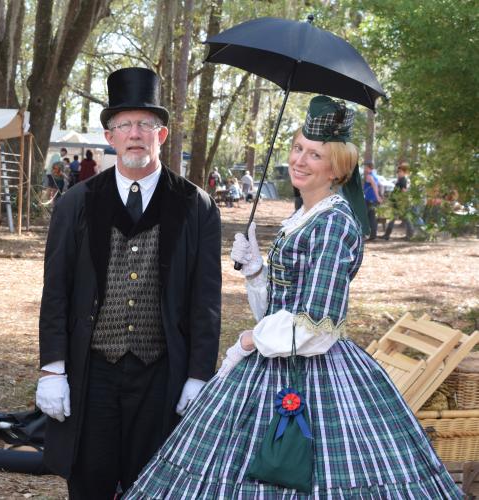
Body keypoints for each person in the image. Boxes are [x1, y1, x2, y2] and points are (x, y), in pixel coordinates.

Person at [125, 96, 461, 499]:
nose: (300, 160)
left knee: (302, 473)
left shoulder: (333, 224)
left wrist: (252, 340)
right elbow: (279, 309)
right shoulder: (303, 217)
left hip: (315, 372)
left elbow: (317, 325)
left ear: (336, 168)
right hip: (274, 363)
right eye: (298, 148)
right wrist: (255, 271)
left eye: (314, 154)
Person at [36, 67, 222, 499]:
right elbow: (57, 290)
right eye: (125, 125)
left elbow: (205, 299)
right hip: (92, 369)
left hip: (162, 373)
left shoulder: (195, 205)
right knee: (90, 481)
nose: (135, 133)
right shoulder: (78, 202)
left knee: (155, 484)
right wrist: (52, 368)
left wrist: (198, 374)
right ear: (110, 135)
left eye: (145, 124)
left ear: (162, 134)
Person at [382, 163, 414, 240]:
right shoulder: (400, 180)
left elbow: (404, 191)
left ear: (404, 172)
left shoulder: (403, 180)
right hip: (397, 204)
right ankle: (387, 235)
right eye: (397, 171)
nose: (398, 173)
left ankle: (409, 235)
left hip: (400, 204)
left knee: (405, 219)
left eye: (399, 171)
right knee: (395, 219)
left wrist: (401, 202)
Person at [362, 160, 383, 240]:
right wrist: (380, 196)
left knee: (363, 216)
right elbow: (379, 186)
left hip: (369, 199)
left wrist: (378, 196)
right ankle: (373, 236)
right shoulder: (375, 175)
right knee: (372, 217)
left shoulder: (369, 176)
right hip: (373, 200)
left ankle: (363, 234)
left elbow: (374, 185)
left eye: (365, 167)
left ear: (368, 167)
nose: (364, 169)